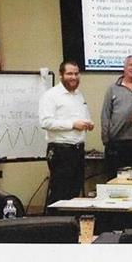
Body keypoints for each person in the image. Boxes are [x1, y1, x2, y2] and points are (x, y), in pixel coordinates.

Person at [39, 60, 94, 208]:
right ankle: (55, 227)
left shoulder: (78, 95)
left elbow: (82, 117)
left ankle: (71, 227)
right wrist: (72, 125)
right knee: (60, 193)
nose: (74, 77)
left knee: (74, 192)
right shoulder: (51, 95)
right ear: (61, 75)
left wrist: (88, 123)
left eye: (76, 74)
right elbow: (46, 122)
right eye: (69, 73)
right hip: (61, 151)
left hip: (78, 150)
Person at [100, 54, 132, 178]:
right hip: (117, 143)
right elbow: (105, 115)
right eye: (131, 65)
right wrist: (106, 140)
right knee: (114, 180)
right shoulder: (113, 89)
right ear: (124, 67)